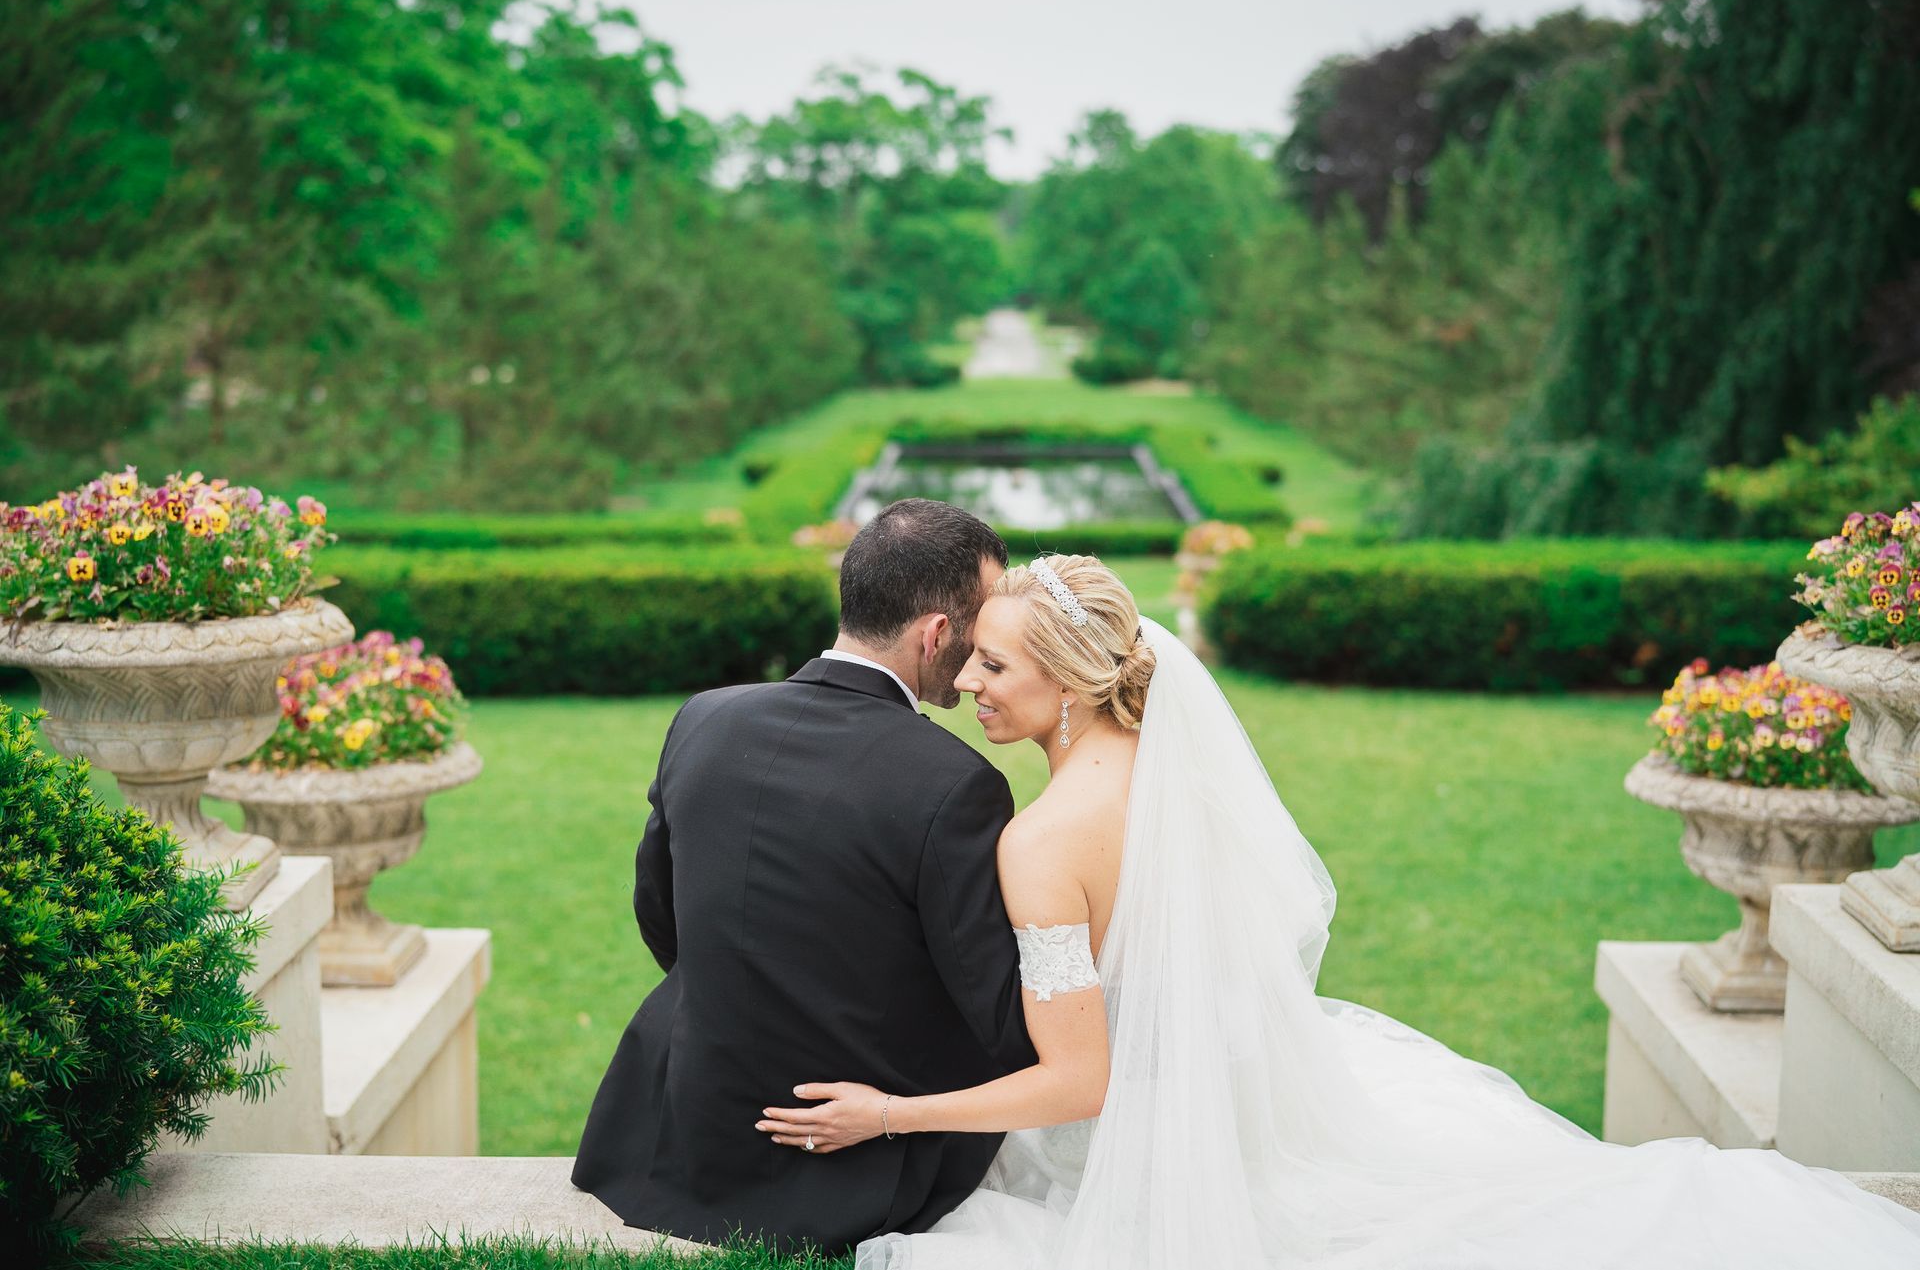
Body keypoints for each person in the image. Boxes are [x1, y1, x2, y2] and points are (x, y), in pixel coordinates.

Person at [756, 553, 1920, 1269]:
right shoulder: (1169, 771)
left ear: (1069, 677)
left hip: (1149, 1146)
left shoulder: (1041, 843)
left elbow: (1080, 1082)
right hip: (1252, 1093)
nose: (966, 684)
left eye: (996, 669)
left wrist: (896, 1113)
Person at [570, 498, 1037, 1257]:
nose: (988, 644)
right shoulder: (956, 782)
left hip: (678, 1133)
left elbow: (660, 912)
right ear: (938, 634)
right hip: (856, 1159)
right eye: (983, 626)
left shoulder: (703, 717)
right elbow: (996, 1012)